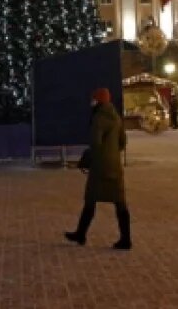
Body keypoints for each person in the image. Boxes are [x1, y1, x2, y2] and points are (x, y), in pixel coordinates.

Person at [65, 87, 132, 250]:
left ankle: (80, 234)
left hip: (100, 166)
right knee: (120, 202)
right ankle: (126, 239)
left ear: (98, 100)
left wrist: (89, 158)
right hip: (115, 165)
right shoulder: (116, 117)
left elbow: (95, 142)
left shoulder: (99, 117)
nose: (91, 102)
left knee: (90, 199)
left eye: (93, 99)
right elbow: (123, 142)